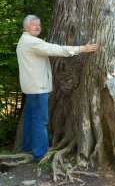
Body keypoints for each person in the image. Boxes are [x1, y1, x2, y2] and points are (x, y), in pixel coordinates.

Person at [16, 15, 99, 161]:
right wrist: (82, 48)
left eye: (39, 24)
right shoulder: (32, 42)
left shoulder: (24, 41)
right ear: (26, 26)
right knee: (39, 121)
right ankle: (40, 154)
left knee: (30, 119)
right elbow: (56, 49)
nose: (38, 26)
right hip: (37, 88)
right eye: (34, 24)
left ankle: (27, 148)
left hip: (31, 87)